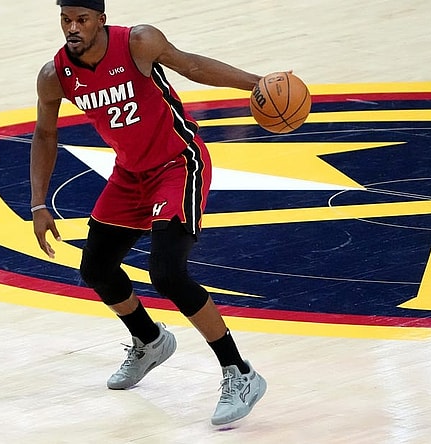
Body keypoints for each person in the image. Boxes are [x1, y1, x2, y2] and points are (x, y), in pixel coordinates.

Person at [30, 0, 267, 426]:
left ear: (101, 20)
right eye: (66, 20)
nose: (72, 28)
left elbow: (192, 66)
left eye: (81, 19)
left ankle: (240, 372)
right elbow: (45, 134)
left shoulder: (138, 42)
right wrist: (38, 202)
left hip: (179, 163)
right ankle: (149, 340)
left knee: (168, 273)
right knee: (97, 268)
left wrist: (255, 83)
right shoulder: (55, 75)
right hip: (130, 174)